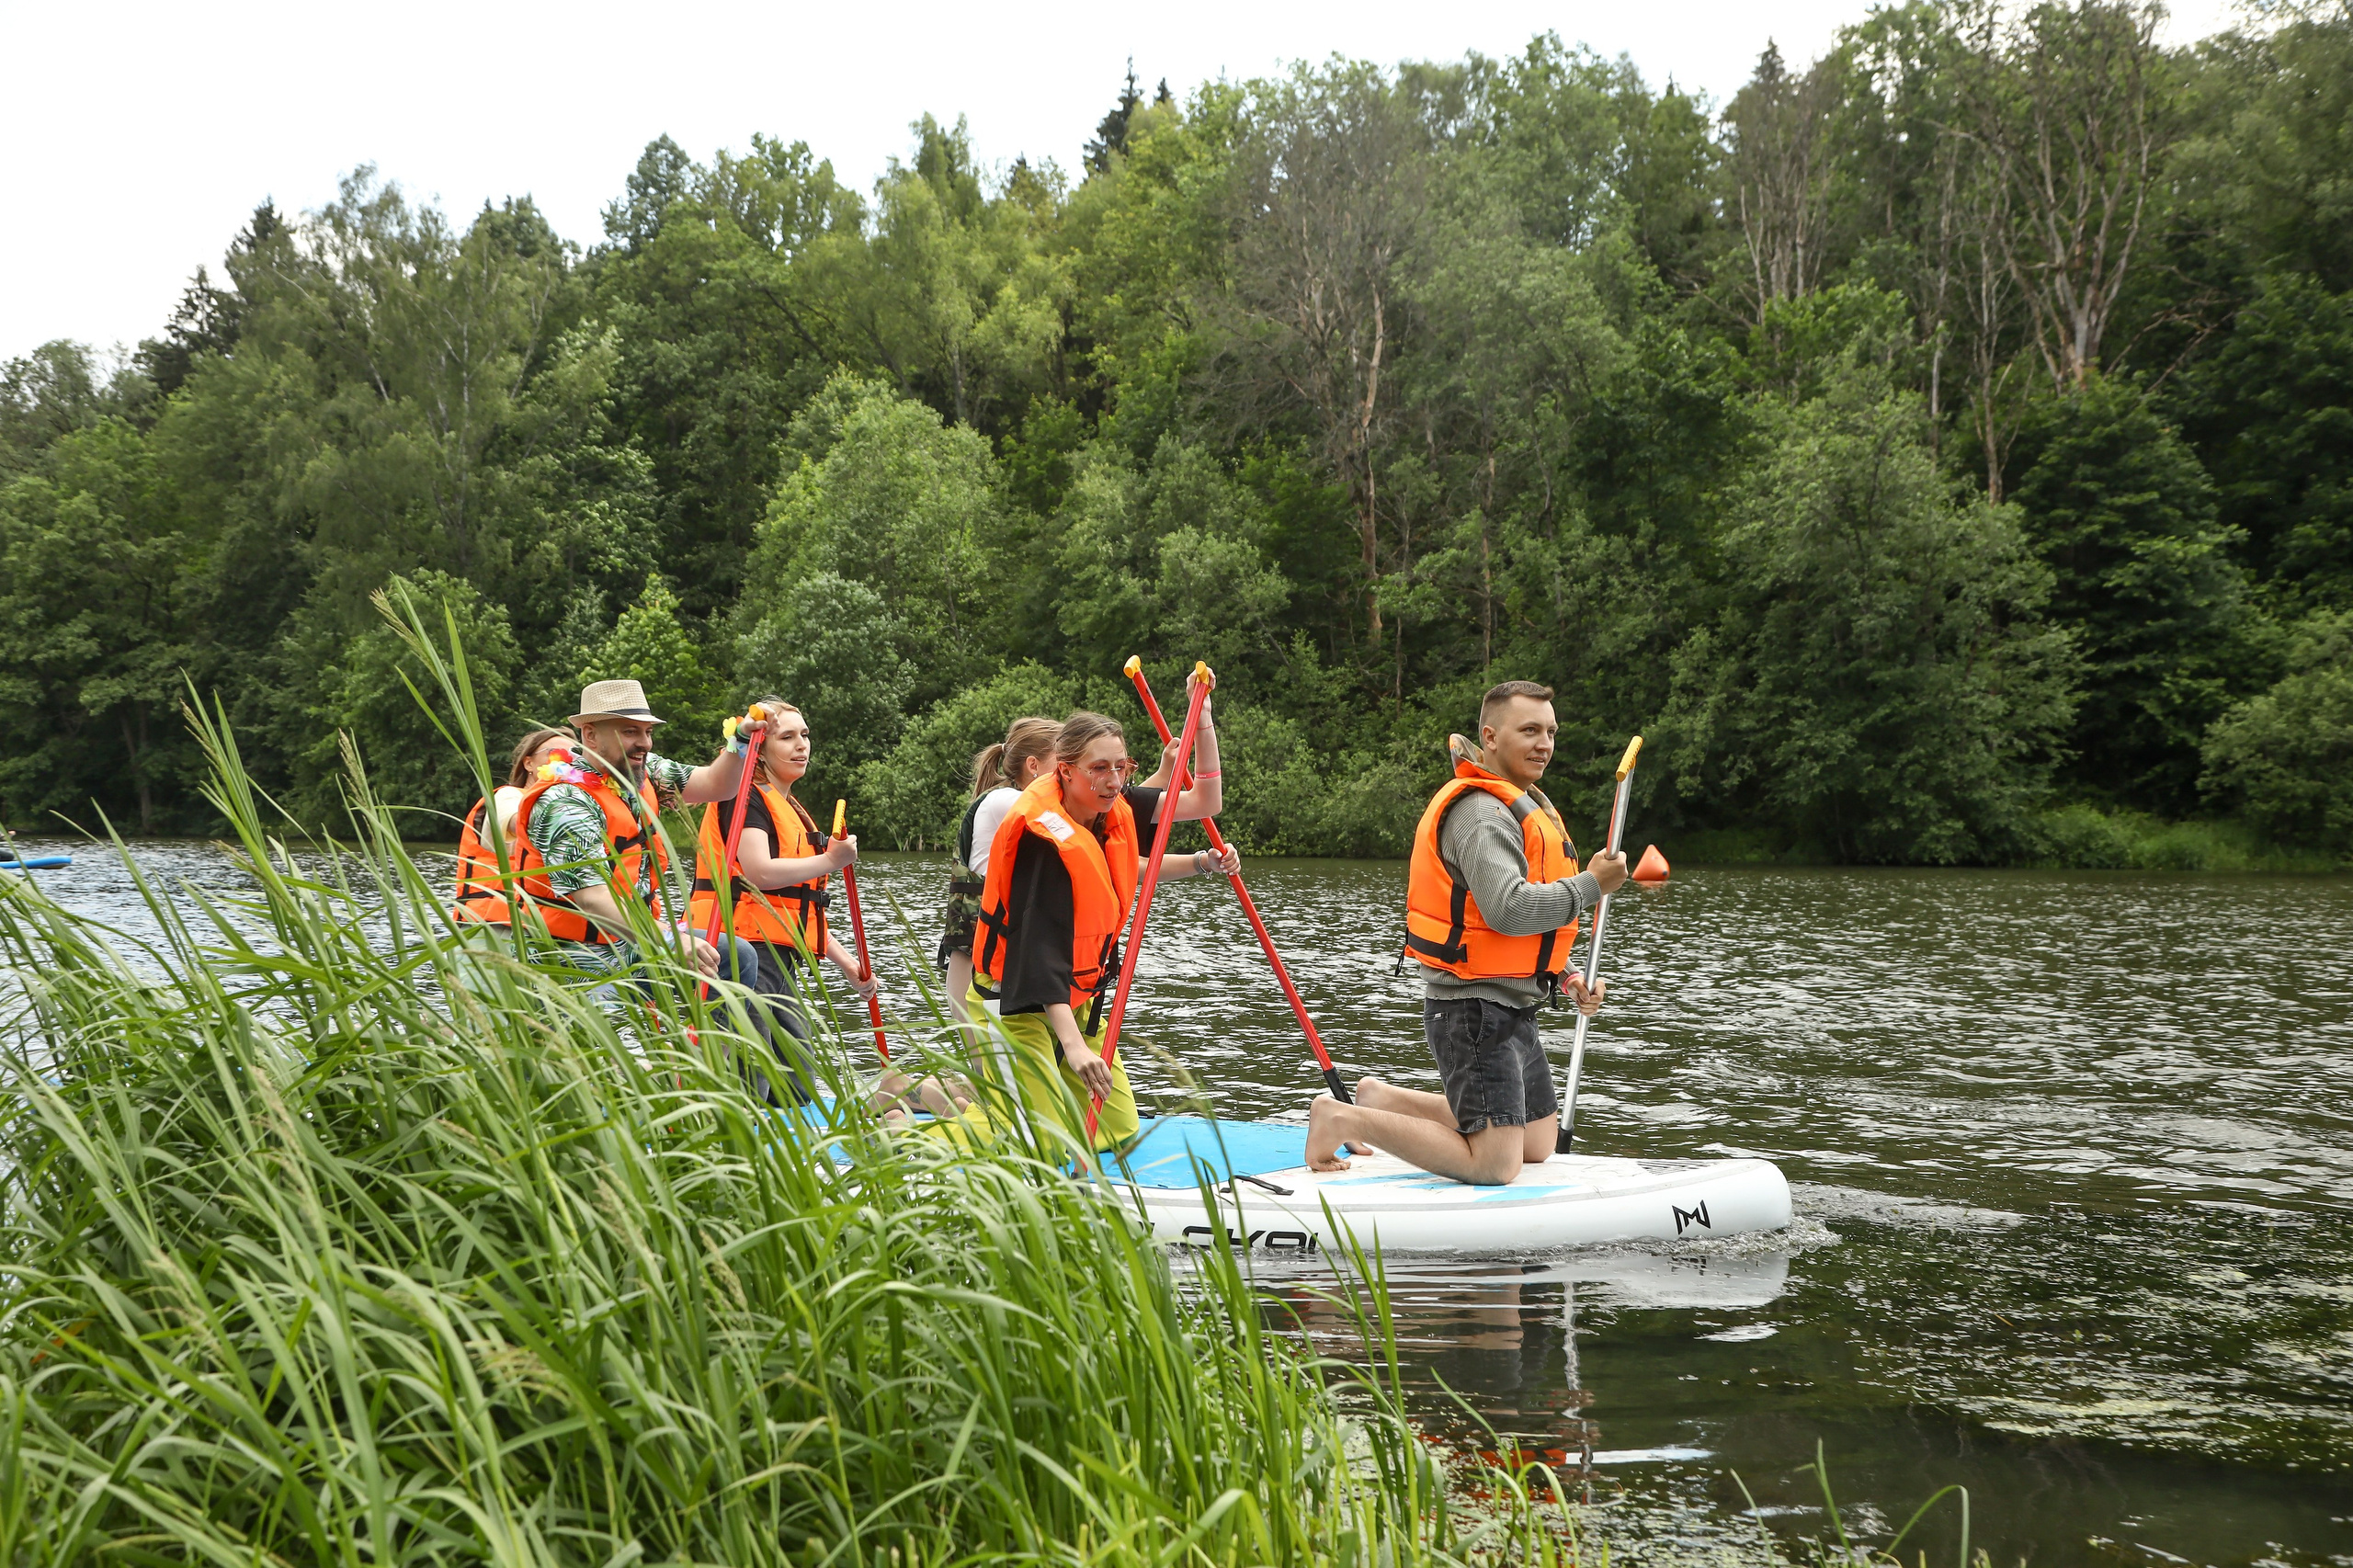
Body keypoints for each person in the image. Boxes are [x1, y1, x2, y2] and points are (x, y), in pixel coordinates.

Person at [1304, 680, 1630, 1184]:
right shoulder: (1481, 814)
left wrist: (1566, 976)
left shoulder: (1519, 807)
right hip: (1473, 1008)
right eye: (1529, 730)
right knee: (1496, 1165)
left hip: (1514, 1003)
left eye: (1550, 732)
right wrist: (1592, 884)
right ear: (1490, 737)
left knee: (1538, 1143)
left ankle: (1381, 1100)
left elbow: (1518, 929)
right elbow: (1507, 911)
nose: (1544, 744)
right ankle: (1341, 1117)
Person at [969, 681, 1240, 1155]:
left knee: (1116, 1126)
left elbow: (1206, 802)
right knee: (1040, 1146)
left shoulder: (1114, 806)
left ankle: (1017, 1112)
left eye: (1122, 767)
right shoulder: (1043, 840)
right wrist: (1074, 1047)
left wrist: (1203, 723)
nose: (1113, 780)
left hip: (1075, 997)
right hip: (1013, 1000)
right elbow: (1038, 951)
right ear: (1066, 771)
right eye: (1099, 768)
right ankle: (917, 1136)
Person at [500, 679, 765, 1006]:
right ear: (590, 735)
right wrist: (668, 940)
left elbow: (716, 784)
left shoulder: (644, 770)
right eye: (630, 732)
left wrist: (740, 739)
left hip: (630, 943)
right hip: (572, 956)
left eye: (647, 732)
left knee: (735, 956)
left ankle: (704, 1040)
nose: (645, 743)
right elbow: (592, 898)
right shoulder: (564, 800)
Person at [687, 698, 880, 1052]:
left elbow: (792, 904)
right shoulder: (743, 795)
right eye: (787, 737)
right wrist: (831, 860)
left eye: (804, 735)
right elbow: (759, 873)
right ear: (759, 750)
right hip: (742, 951)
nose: (801, 745)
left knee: (798, 1071)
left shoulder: (786, 806)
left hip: (778, 956)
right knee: (753, 1068)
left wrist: (847, 963)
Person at [938, 717, 1061, 1025]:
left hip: (1000, 961)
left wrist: (1162, 774)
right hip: (977, 971)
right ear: (1033, 766)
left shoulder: (1019, 800)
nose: (1069, 772)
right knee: (988, 1058)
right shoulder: (1006, 801)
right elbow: (1083, 826)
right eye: (1063, 762)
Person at [452, 727, 574, 924]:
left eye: (574, 757)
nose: (565, 762)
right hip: (496, 925)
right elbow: (519, 824)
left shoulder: (579, 808)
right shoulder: (509, 796)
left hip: (545, 925)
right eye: (555, 754)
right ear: (529, 763)